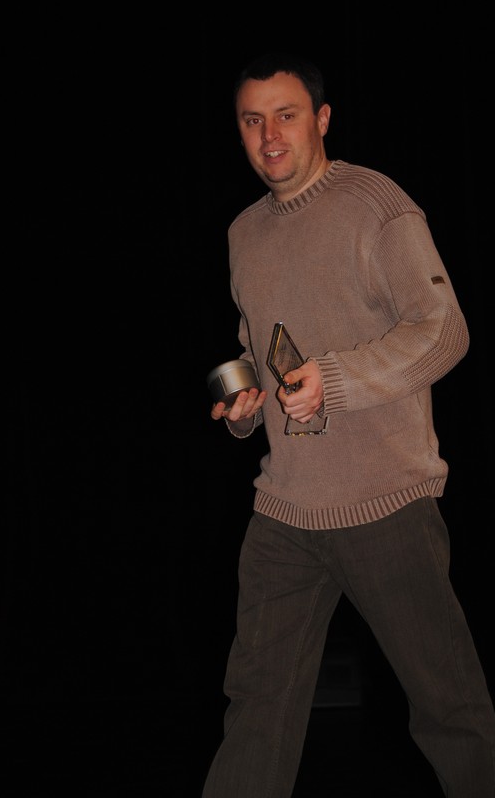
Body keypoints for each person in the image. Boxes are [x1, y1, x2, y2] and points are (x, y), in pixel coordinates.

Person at [202, 52, 495, 798]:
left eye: (287, 115)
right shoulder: (243, 233)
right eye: (252, 120)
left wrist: (333, 381)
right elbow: (261, 349)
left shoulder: (376, 205)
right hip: (285, 510)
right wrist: (246, 406)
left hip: (385, 502)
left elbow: (444, 331)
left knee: (449, 708)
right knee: (255, 711)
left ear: (322, 119)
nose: (270, 135)